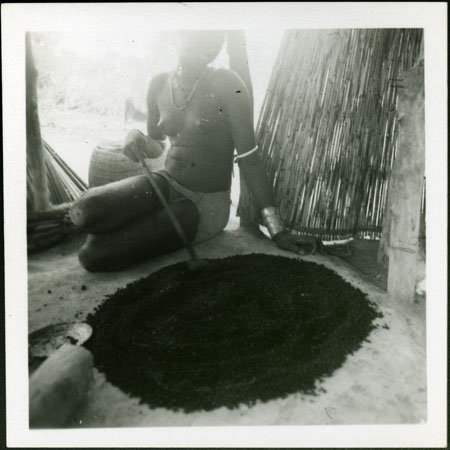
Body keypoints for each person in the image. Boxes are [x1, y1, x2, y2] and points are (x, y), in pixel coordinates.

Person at [70, 30, 319, 272]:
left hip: (204, 204)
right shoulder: (159, 84)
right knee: (86, 210)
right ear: (182, 31)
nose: (210, 48)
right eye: (202, 37)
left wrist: (277, 230)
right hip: (164, 182)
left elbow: (249, 158)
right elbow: (157, 145)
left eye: (216, 41)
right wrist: (136, 137)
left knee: (93, 255)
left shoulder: (227, 84)